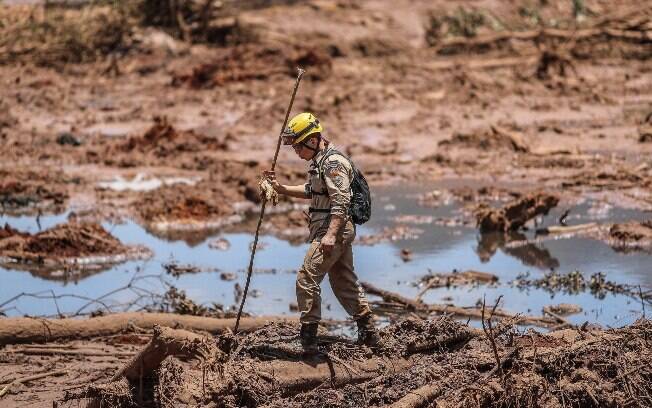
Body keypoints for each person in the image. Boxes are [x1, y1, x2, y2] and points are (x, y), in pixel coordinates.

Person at [263, 112, 381, 348]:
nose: (296, 151)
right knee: (343, 281)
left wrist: (329, 235)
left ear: (314, 139)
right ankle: (369, 334)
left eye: (299, 145)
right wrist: (281, 188)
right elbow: (312, 190)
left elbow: (341, 202)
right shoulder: (321, 161)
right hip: (331, 230)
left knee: (306, 278)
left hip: (333, 230)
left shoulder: (333, 163)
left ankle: (308, 341)